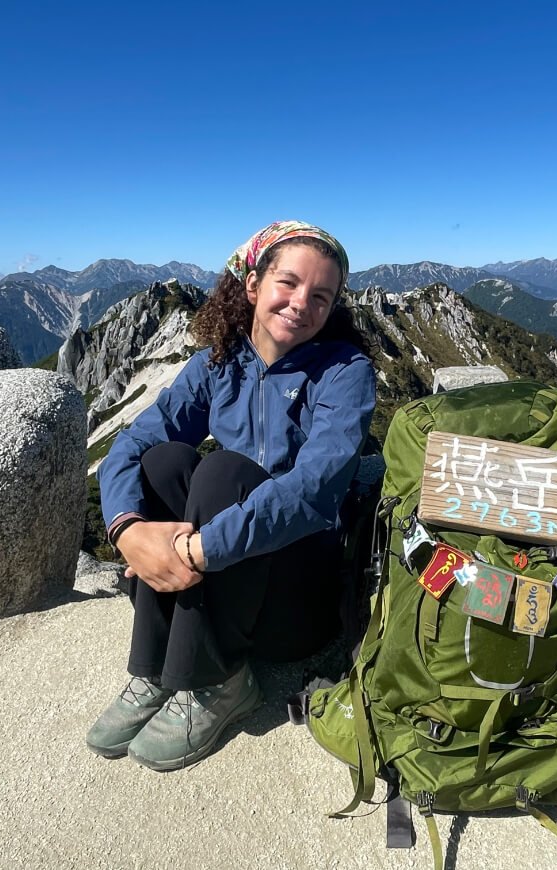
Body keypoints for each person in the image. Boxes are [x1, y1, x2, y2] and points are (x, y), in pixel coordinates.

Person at [86, 220, 376, 771]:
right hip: (224, 576)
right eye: (287, 284)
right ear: (252, 285)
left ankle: (219, 683)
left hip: (299, 599)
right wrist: (129, 530)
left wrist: (194, 552)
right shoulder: (218, 364)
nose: (301, 304)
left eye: (321, 296)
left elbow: (314, 490)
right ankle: (154, 668)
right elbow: (131, 446)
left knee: (220, 473)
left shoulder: (344, 373)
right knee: (162, 461)